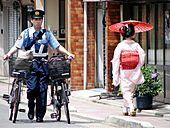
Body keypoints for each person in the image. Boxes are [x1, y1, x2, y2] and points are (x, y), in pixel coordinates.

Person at [3, 9, 75, 122]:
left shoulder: (47, 33)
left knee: (43, 90)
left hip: (43, 63)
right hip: (30, 64)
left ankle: (40, 115)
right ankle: (31, 107)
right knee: (32, 89)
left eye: (40, 19)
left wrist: (68, 53)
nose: (38, 21)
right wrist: (8, 54)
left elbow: (57, 46)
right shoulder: (26, 33)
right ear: (31, 20)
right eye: (35, 19)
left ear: (42, 20)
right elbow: (17, 46)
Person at [111, 24, 145, 116]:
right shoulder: (136, 45)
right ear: (133, 34)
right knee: (130, 90)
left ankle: (131, 106)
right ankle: (125, 109)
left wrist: (115, 73)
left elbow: (116, 60)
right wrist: (138, 66)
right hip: (134, 69)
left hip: (124, 70)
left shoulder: (120, 45)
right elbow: (142, 57)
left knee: (125, 90)